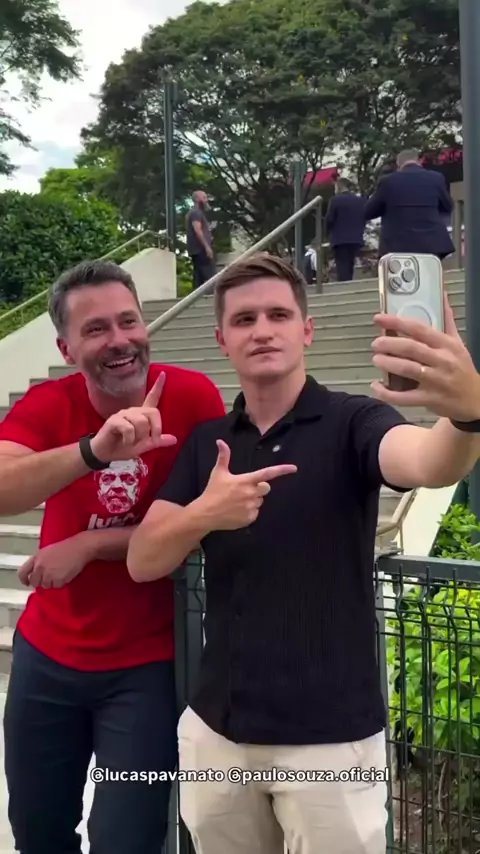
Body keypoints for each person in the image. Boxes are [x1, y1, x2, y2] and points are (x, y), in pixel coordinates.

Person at [126, 251, 480, 854]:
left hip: (331, 742)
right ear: (222, 340)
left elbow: (428, 462)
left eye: (278, 315)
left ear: (307, 330)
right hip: (219, 734)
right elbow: (143, 559)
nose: (262, 330)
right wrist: (206, 513)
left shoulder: (353, 421)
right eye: (244, 320)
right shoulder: (208, 444)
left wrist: (468, 413)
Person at [0, 259, 225, 854]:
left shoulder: (193, 397)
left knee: (128, 839)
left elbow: (210, 517)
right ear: (66, 348)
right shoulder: (49, 404)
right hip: (47, 659)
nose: (119, 340)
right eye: (96, 329)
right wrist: (93, 451)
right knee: (38, 831)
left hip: (147, 669)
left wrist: (91, 544)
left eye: (129, 321)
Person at [365, 149, 454, 260]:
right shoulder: (436, 178)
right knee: (429, 270)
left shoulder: (387, 181)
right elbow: (448, 205)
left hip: (398, 243)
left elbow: (369, 211)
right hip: (432, 241)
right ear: (419, 161)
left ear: (398, 164)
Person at [325, 178, 366, 281]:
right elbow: (364, 217)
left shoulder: (335, 200)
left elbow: (329, 219)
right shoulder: (359, 200)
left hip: (340, 239)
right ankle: (349, 282)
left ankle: (344, 284)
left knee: (342, 265)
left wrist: (327, 233)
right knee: (350, 263)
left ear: (339, 186)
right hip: (356, 238)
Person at [186, 190, 216, 289]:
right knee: (209, 275)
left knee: (199, 276)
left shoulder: (195, 213)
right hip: (201, 249)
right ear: (197, 199)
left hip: (197, 249)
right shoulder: (196, 212)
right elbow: (197, 230)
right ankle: (212, 295)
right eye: (204, 198)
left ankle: (197, 296)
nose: (206, 200)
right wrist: (207, 247)